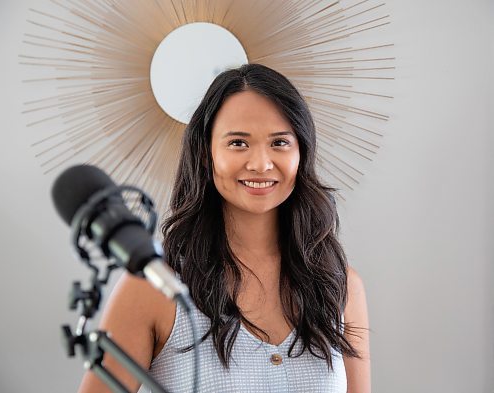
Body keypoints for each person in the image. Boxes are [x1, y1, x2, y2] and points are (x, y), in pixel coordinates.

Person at [78, 64, 370, 392]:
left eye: (279, 143)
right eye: (238, 144)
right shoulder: (152, 288)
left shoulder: (341, 286)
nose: (261, 163)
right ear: (206, 154)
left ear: (301, 152)